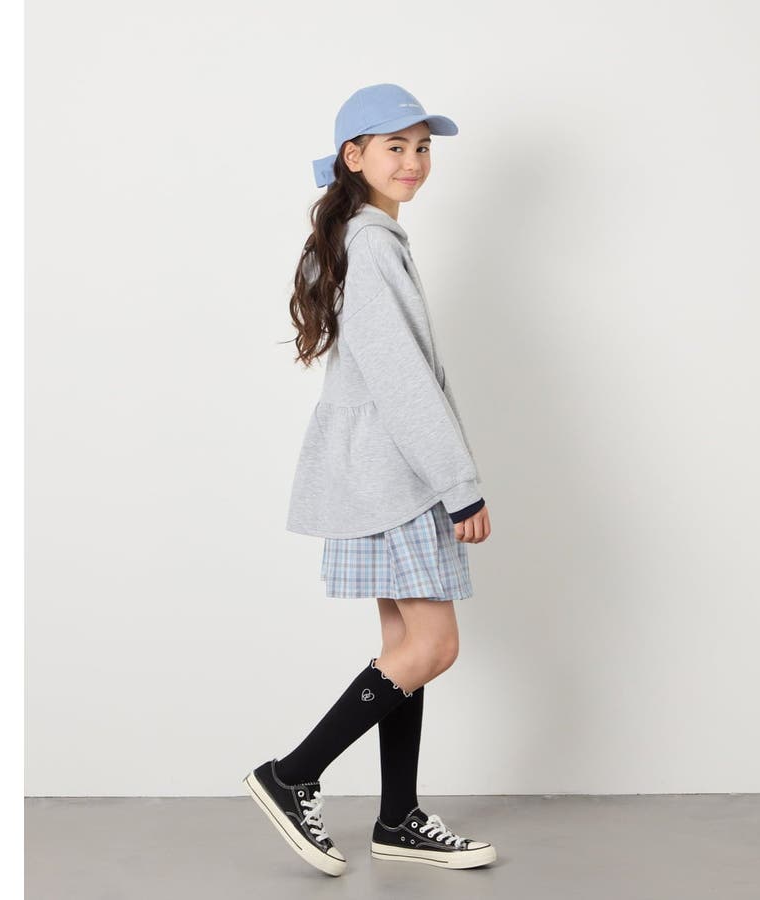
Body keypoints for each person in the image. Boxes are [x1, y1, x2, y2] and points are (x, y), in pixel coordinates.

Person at [243, 83, 497, 877]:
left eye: (422, 147)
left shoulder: (358, 236)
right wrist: (459, 483)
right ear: (353, 156)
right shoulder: (374, 244)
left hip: (379, 471)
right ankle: (292, 775)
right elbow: (402, 380)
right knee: (434, 646)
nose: (413, 161)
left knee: (402, 648)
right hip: (400, 474)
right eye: (395, 146)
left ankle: (397, 817)